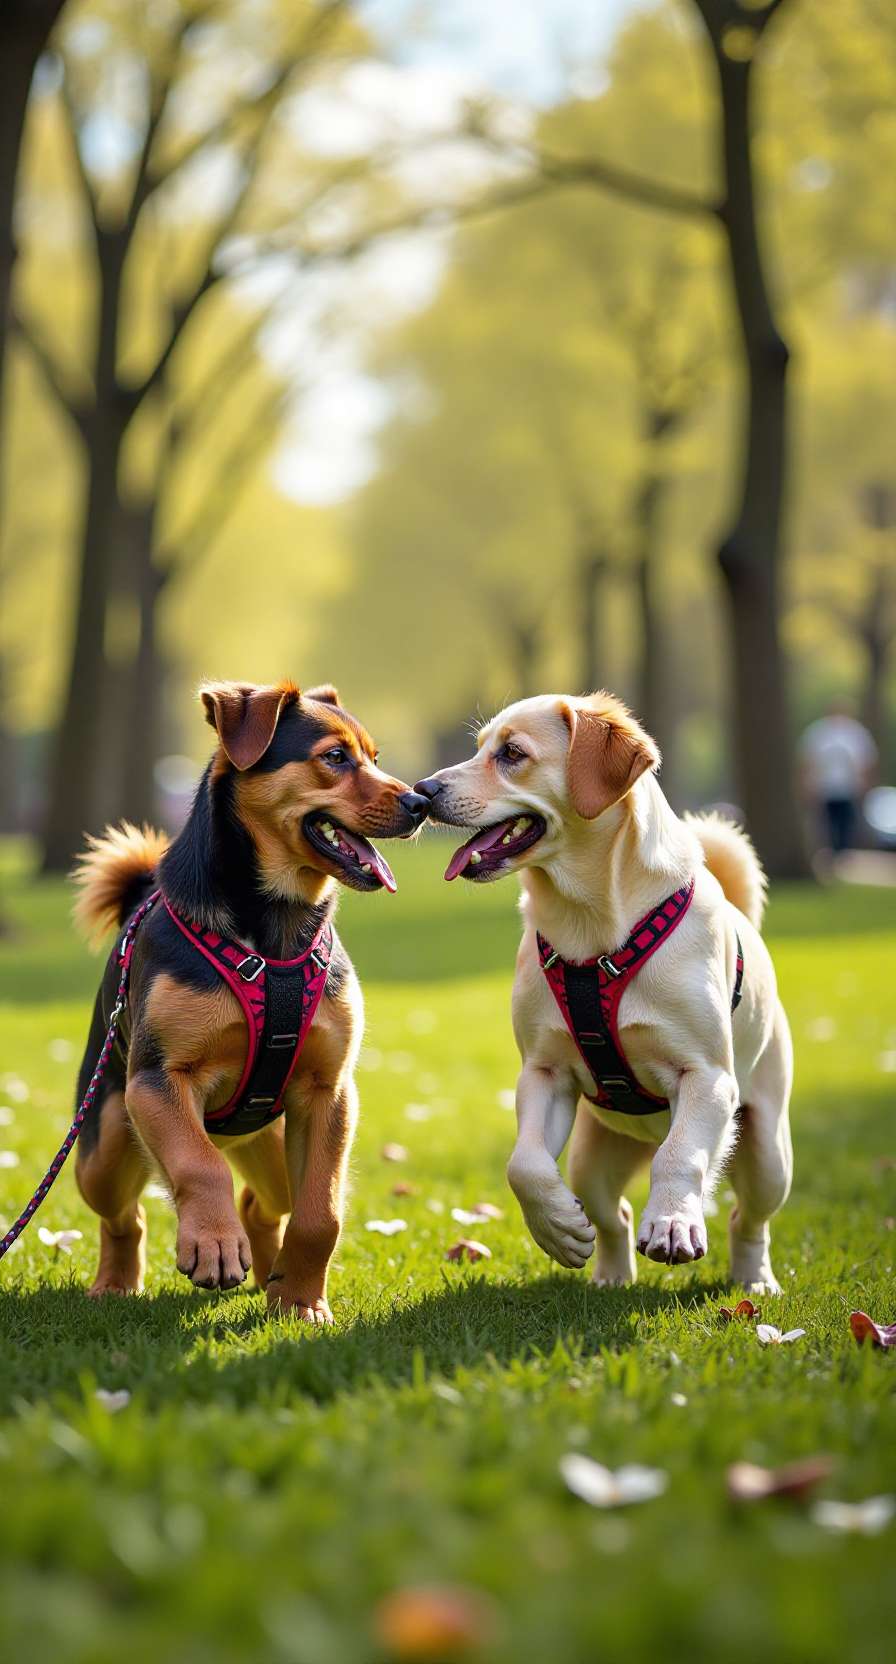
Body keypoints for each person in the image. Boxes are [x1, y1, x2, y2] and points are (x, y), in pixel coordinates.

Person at [799, 703, 877, 854]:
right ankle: (830, 851)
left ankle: (843, 851)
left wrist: (865, 783)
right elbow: (808, 761)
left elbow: (866, 762)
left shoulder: (857, 733)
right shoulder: (817, 733)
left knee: (845, 823)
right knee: (825, 823)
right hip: (824, 787)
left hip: (848, 788)